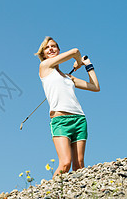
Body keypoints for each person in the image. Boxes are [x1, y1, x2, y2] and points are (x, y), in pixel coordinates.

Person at [35, 37, 100, 176]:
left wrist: (88, 65)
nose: (51, 49)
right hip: (60, 121)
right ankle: (52, 195)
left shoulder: (68, 77)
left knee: (79, 165)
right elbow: (75, 51)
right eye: (47, 47)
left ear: (58, 50)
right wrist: (78, 62)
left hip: (79, 119)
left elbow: (95, 87)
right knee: (65, 163)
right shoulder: (45, 67)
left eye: (54, 46)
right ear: (43, 54)